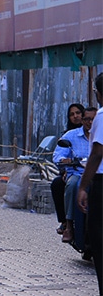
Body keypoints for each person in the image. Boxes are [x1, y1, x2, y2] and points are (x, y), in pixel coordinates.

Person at [53, 107, 96, 243]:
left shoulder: (100, 135)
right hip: (78, 173)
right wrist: (65, 161)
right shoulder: (71, 136)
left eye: (93, 119)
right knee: (72, 185)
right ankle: (69, 225)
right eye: (87, 119)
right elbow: (58, 155)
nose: (90, 122)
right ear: (82, 120)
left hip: (98, 175)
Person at [78, 73, 103, 295]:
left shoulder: (102, 116)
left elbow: (96, 154)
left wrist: (83, 186)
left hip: (102, 183)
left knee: (99, 236)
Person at [51, 103, 84, 235]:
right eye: (72, 114)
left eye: (78, 113)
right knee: (58, 184)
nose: (75, 116)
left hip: (93, 173)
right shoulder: (68, 136)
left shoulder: (96, 134)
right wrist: (64, 169)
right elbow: (59, 156)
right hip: (73, 172)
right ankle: (66, 222)